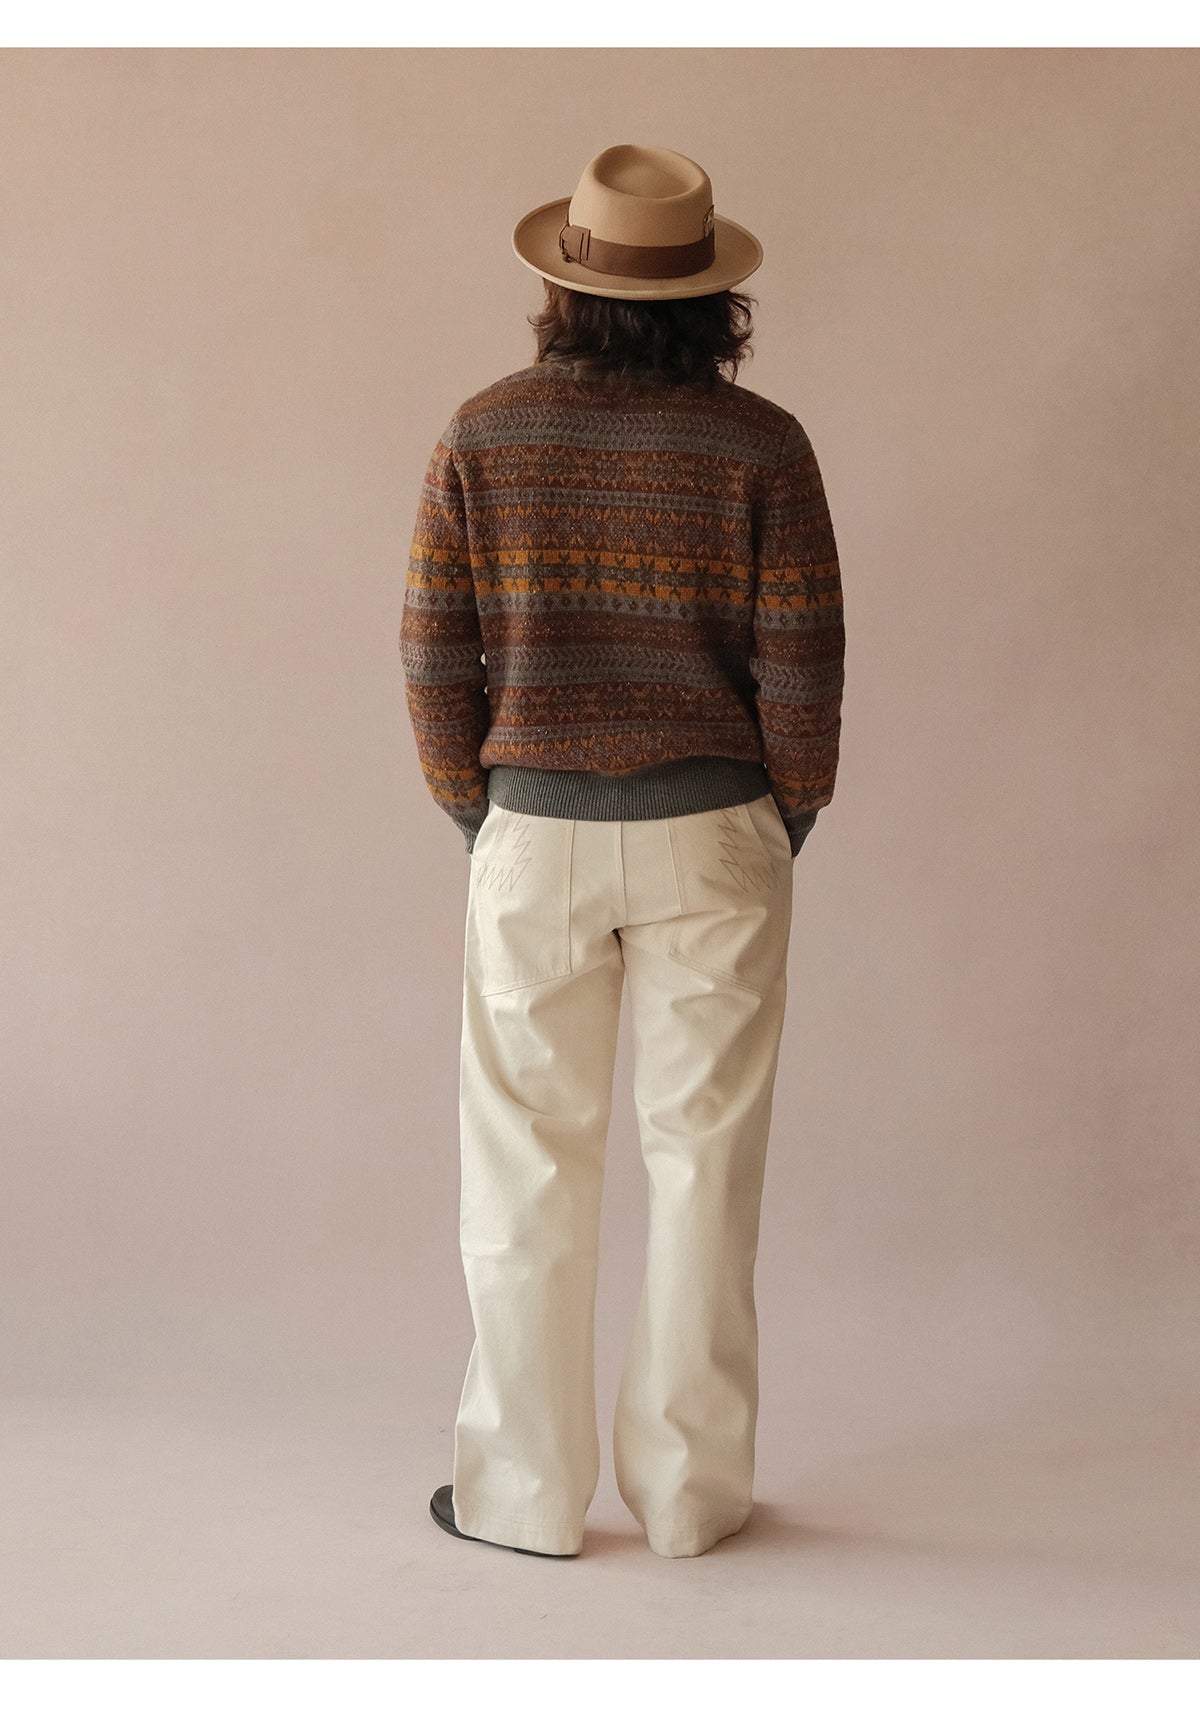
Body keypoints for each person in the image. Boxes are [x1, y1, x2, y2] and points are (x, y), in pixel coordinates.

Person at [401, 143, 846, 1560]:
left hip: (534, 835)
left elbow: (433, 654)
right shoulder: (762, 445)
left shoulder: (483, 434)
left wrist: (486, 811)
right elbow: (805, 662)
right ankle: (694, 1499)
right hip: (716, 833)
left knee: (525, 1166)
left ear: (563, 287)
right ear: (712, 296)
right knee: (706, 1164)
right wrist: (782, 815)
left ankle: (520, 1497)